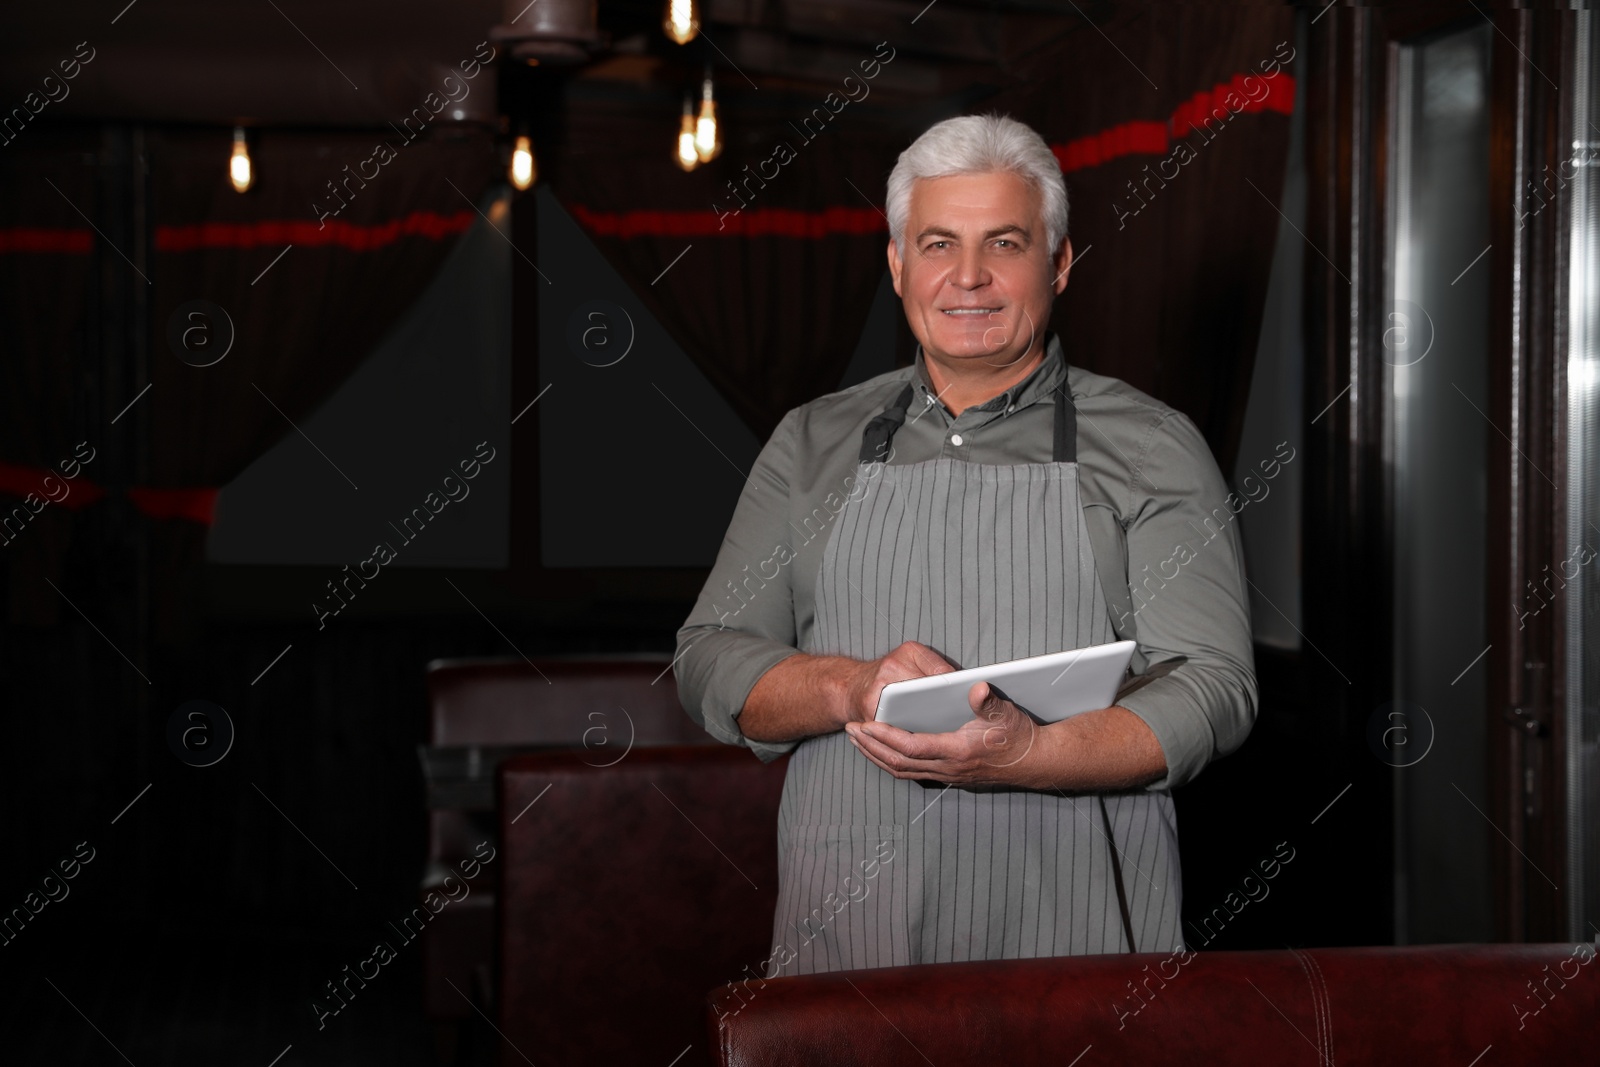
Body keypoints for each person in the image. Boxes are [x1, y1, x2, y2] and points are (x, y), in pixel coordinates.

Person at [673, 113, 1256, 975]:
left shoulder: (1152, 443)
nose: (970, 278)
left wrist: (1031, 752)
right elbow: (707, 656)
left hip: (1077, 930)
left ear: (1058, 263)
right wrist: (848, 684)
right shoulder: (810, 441)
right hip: (850, 926)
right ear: (898, 263)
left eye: (1006, 243)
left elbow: (1216, 686)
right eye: (939, 243)